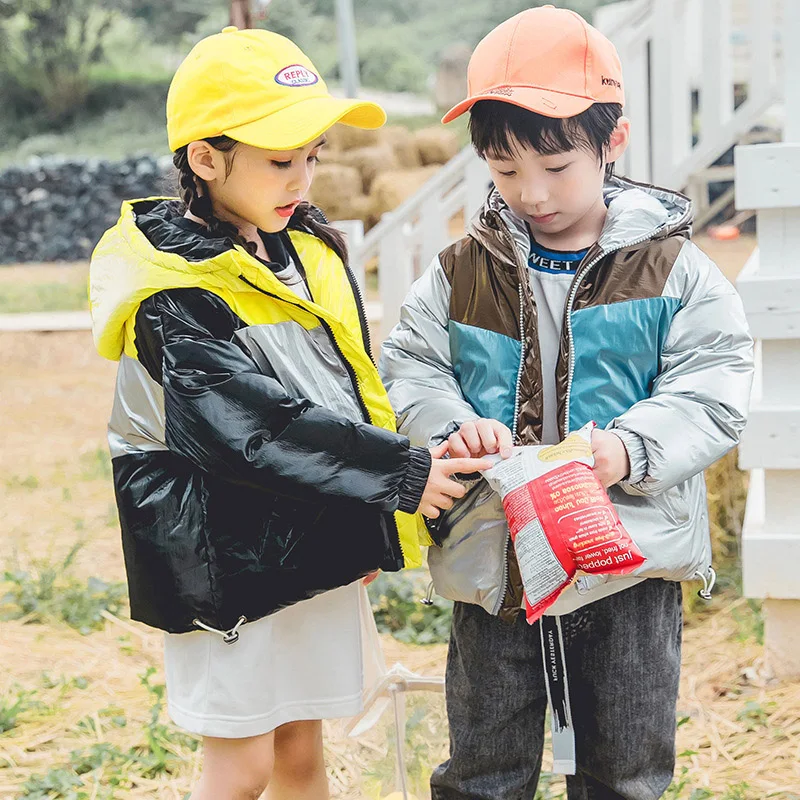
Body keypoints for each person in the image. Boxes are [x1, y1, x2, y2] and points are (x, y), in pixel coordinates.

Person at [88, 26, 488, 800]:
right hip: (225, 559)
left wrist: (360, 523)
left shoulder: (305, 249)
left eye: (311, 154)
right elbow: (248, 424)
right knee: (241, 768)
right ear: (205, 159)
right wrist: (400, 477)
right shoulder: (171, 290)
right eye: (280, 160)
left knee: (303, 750)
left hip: (305, 534)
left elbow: (346, 392)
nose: (302, 176)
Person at [380, 6, 754, 799]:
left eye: (556, 168)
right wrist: (450, 426)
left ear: (611, 143)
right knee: (484, 767)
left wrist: (629, 448)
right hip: (496, 560)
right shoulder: (459, 270)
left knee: (624, 770)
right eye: (505, 171)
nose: (532, 194)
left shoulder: (673, 269)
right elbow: (411, 362)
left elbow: (714, 381)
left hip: (628, 559)